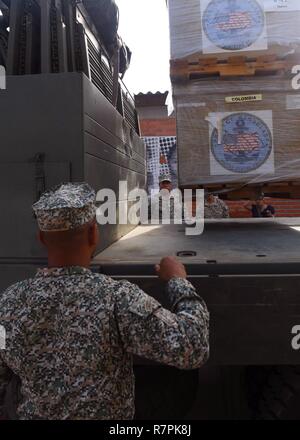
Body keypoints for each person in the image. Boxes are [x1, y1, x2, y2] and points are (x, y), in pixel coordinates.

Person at [0, 182, 209, 420]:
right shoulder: (116, 298)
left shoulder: (8, 304)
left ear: (41, 238)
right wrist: (177, 281)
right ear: (93, 234)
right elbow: (193, 347)